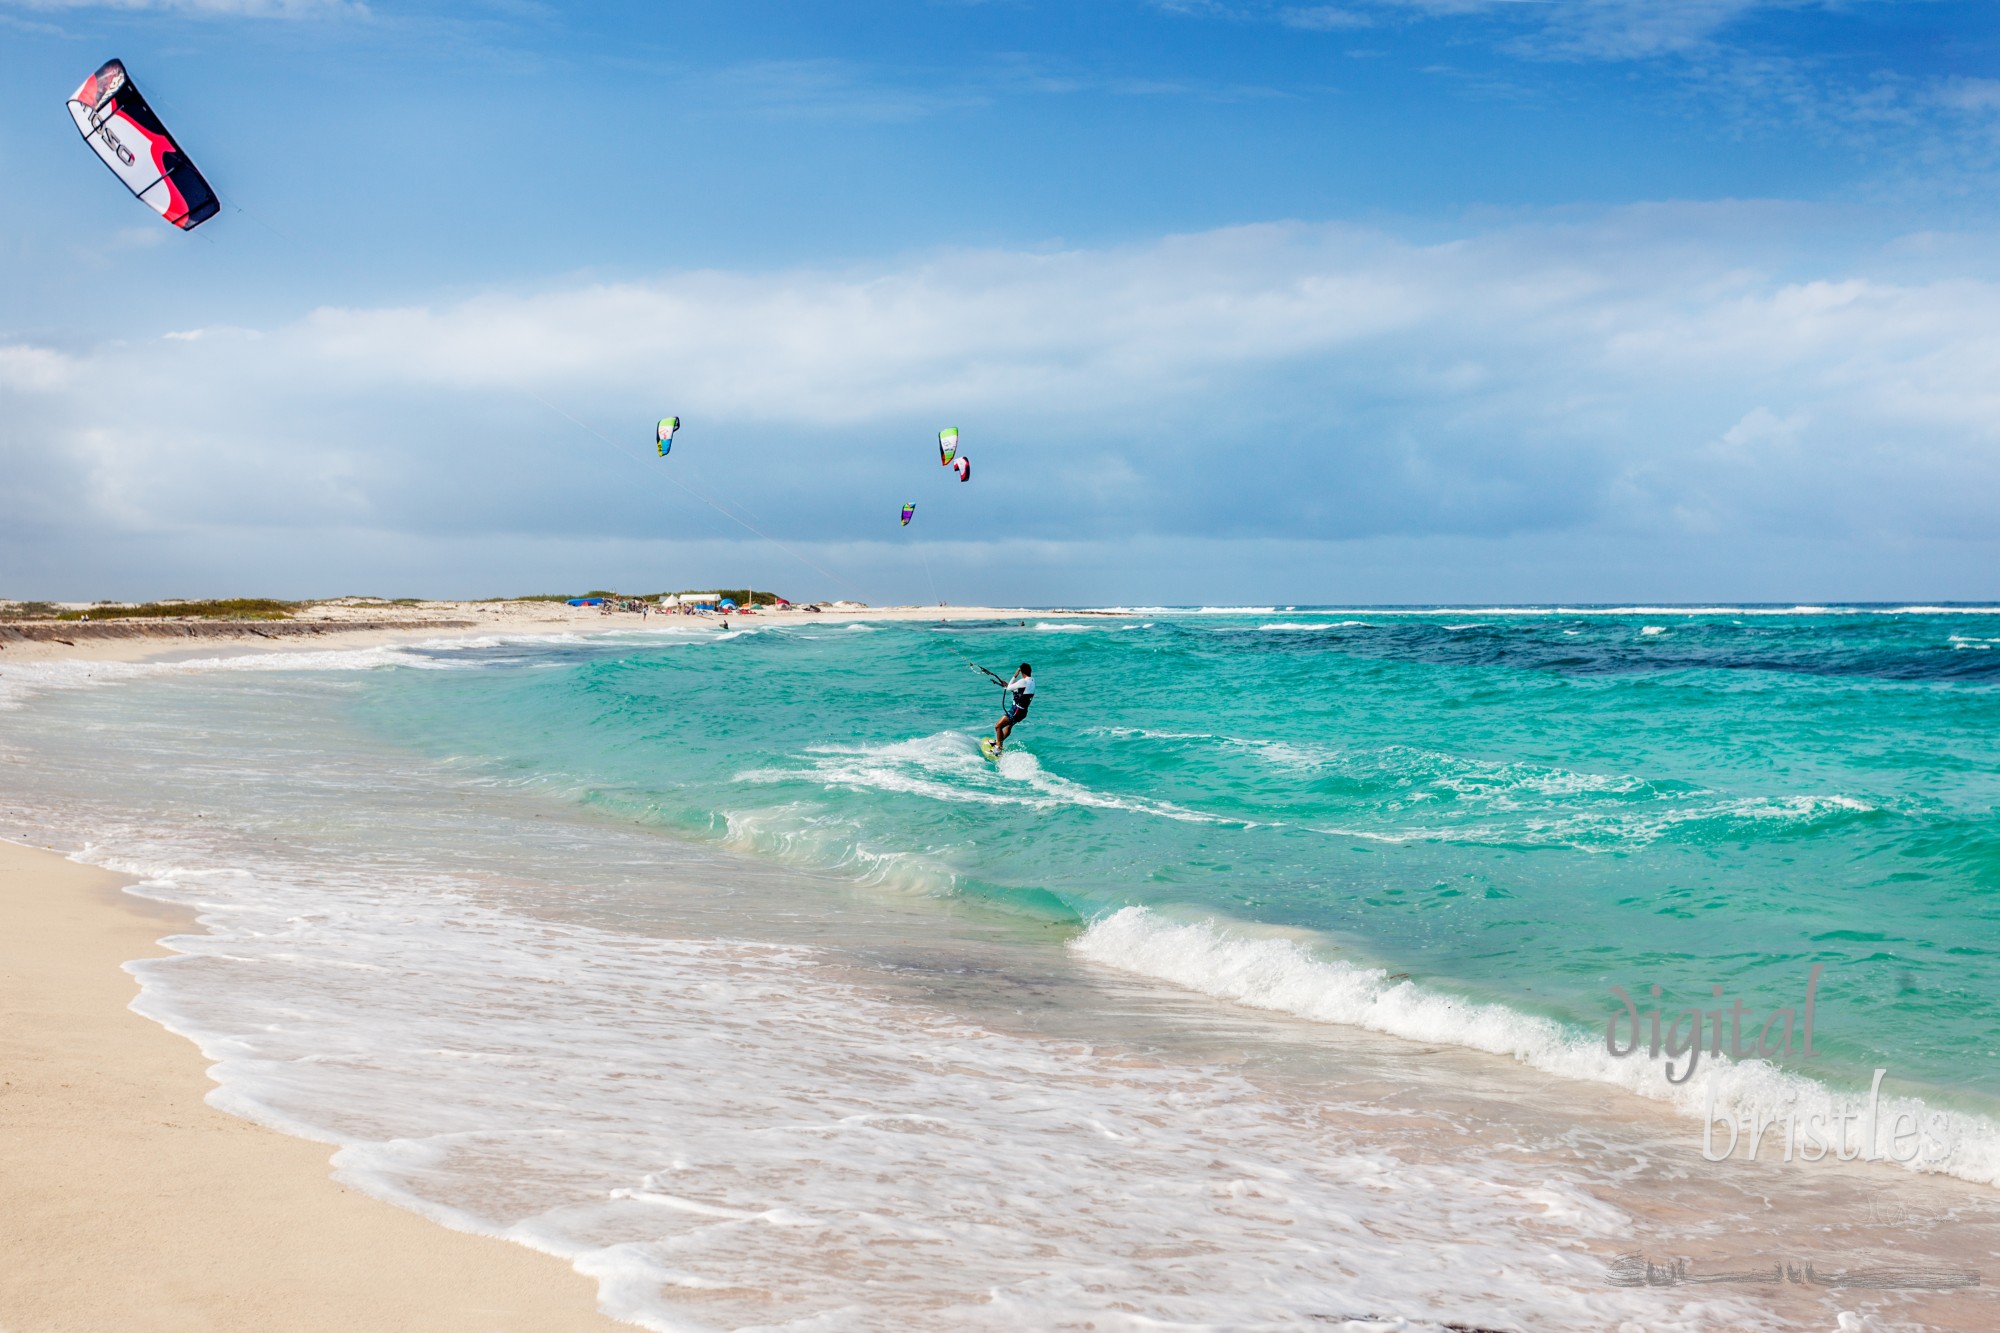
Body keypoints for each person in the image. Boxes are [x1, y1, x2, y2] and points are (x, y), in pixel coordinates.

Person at [992, 663, 1035, 755]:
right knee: (1008, 726)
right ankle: (999, 742)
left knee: (998, 726)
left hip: (1016, 710)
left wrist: (1015, 676)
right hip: (1023, 711)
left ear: (1021, 672)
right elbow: (1018, 690)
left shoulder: (1023, 681)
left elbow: (1009, 688)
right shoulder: (1032, 681)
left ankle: (998, 747)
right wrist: (1008, 685)